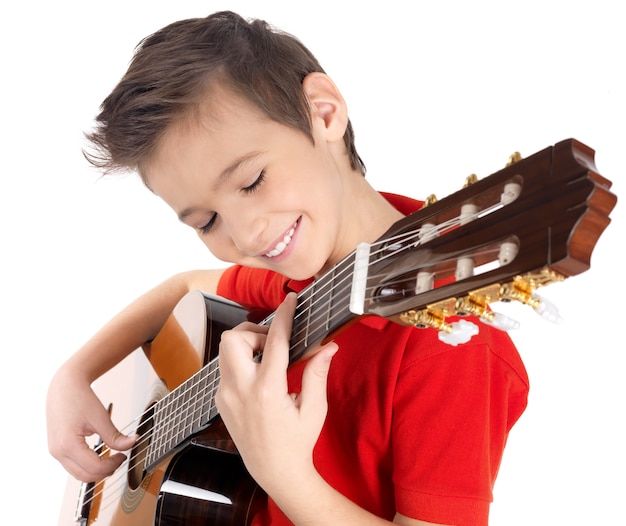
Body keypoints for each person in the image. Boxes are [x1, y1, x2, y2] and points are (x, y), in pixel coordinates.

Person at [46, 11, 529, 526]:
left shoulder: (453, 344)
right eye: (206, 221)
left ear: (322, 113)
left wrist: (285, 475)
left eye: (252, 180)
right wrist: (71, 377)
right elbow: (184, 286)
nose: (248, 235)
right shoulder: (301, 275)